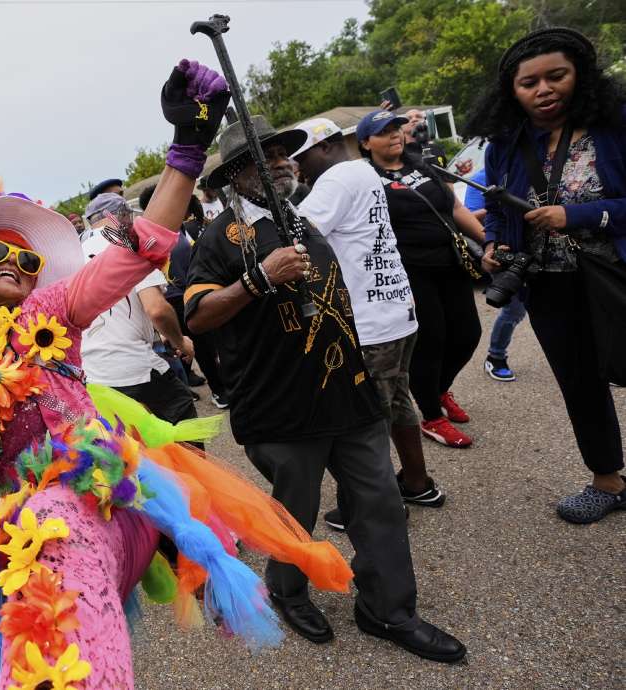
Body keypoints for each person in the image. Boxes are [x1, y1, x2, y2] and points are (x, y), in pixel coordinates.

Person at [0, 61, 358, 687]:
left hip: (95, 503)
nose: (14, 261)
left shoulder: (49, 314)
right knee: (25, 636)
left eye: (28, 258)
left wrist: (187, 150)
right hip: (4, 530)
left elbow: (137, 248)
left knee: (60, 585)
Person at [185, 114, 465, 662]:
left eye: (284, 153)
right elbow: (196, 315)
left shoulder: (305, 221)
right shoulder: (222, 237)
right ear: (236, 175)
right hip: (280, 407)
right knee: (295, 511)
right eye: (263, 158)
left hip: (350, 392)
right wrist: (256, 279)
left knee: (379, 500)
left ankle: (389, 609)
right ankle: (288, 591)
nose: (281, 163)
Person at [467, 27, 626, 524]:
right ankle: (608, 481)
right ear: (511, 91)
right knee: (580, 383)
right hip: (549, 284)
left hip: (615, 272)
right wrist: (494, 243)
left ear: (579, 74)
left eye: (556, 76)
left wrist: (576, 216)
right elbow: (494, 205)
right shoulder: (505, 145)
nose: (543, 90)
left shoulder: (615, 127)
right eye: (528, 82)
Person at [291, 117, 446, 524]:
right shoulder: (363, 170)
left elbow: (297, 234)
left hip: (370, 322)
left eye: (300, 158)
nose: (297, 168)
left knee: (364, 420)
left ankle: (375, 507)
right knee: (396, 399)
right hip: (396, 311)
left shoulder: (336, 181)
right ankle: (417, 482)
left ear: (322, 148)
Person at [359, 109, 486, 448]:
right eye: (384, 132)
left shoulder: (420, 163)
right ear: (365, 143)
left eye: (396, 129)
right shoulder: (367, 179)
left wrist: (486, 240)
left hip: (450, 261)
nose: (394, 135)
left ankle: (438, 389)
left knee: (468, 334)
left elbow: (454, 209)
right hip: (410, 271)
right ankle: (431, 416)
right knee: (432, 341)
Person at [79, 192, 198, 426]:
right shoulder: (129, 243)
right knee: (185, 430)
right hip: (133, 367)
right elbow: (157, 309)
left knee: (132, 449)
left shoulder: (74, 251)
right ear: (121, 216)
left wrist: (157, 335)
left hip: (94, 375)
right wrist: (180, 342)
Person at [142, 184, 229, 407]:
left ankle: (219, 386)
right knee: (191, 346)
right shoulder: (148, 235)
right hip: (172, 297)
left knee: (208, 344)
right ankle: (214, 391)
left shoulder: (182, 227)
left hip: (193, 292)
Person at [464, 168, 527, 382]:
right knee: (514, 309)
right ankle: (496, 357)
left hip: (537, 246)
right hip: (503, 251)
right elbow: (470, 215)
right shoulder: (481, 178)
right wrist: (506, 202)